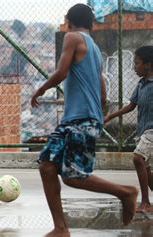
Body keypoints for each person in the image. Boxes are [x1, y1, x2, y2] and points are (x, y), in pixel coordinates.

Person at [30, 4, 138, 236]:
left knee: (74, 177)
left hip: (81, 119)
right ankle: (60, 228)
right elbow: (101, 88)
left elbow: (61, 72)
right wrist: (100, 112)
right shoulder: (94, 48)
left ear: (69, 21)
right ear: (92, 23)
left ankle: (125, 192)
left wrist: (39, 91)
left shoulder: (72, 37)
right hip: (78, 118)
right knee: (47, 166)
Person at [104, 45, 153, 213]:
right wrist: (110, 116)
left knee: (138, 158)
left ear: (148, 64)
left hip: (152, 131)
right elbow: (131, 106)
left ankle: (145, 202)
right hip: (142, 130)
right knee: (147, 172)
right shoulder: (141, 84)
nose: (134, 67)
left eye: (137, 63)